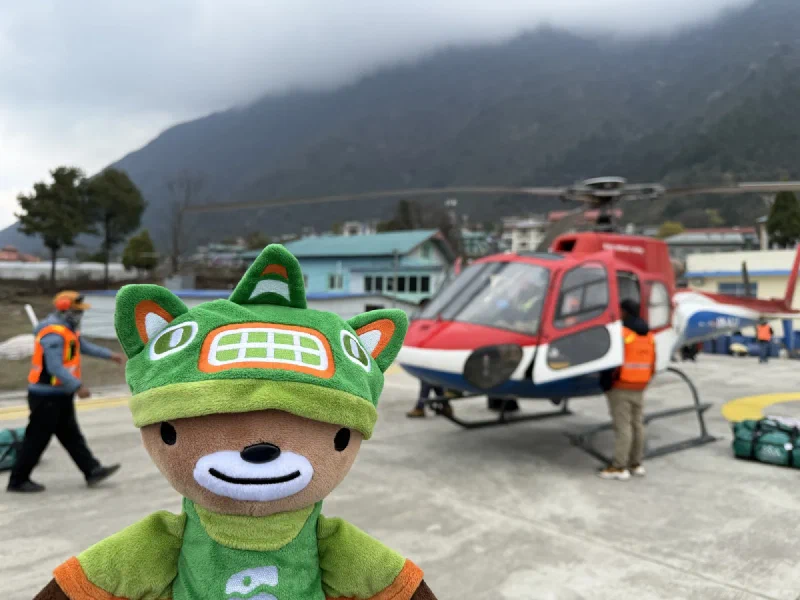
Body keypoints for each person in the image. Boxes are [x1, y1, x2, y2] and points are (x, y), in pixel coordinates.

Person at [7, 291, 125, 493]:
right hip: (46, 396)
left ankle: (92, 470)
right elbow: (55, 366)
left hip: (59, 395)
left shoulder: (67, 330)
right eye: (76, 311)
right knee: (36, 439)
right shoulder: (53, 333)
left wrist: (110, 355)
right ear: (64, 309)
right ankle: (18, 480)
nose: (80, 315)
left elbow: (82, 346)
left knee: (71, 436)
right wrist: (77, 386)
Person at [598, 299, 656, 481]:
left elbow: (610, 362)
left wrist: (606, 384)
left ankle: (618, 466)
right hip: (640, 385)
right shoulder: (649, 336)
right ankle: (636, 464)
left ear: (624, 312)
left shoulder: (622, 334)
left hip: (621, 386)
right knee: (637, 425)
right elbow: (652, 363)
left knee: (622, 427)